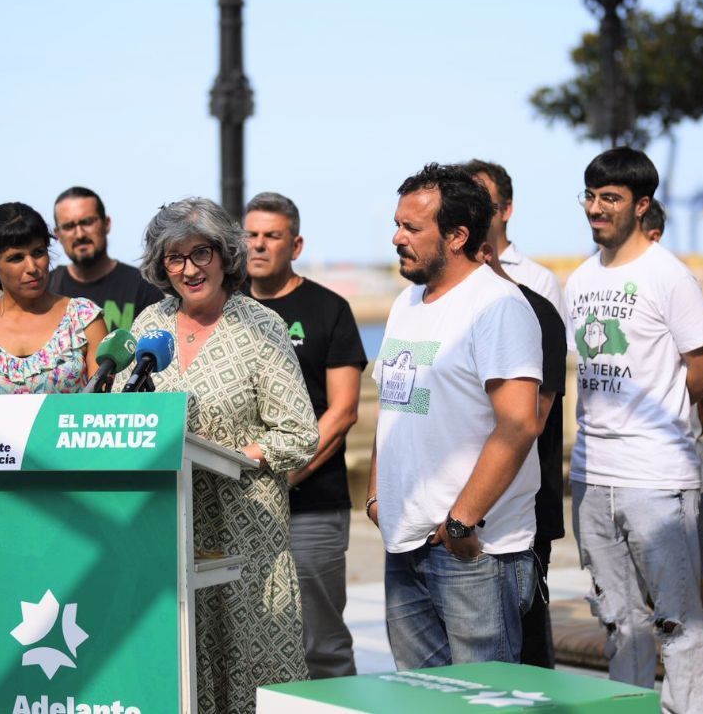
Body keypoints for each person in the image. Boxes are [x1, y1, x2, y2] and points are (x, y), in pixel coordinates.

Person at [128, 197, 318, 714]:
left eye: (201, 253)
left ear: (224, 255)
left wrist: (232, 455)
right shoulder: (148, 325)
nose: (189, 269)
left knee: (251, 682)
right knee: (182, 677)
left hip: (246, 536)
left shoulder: (261, 327)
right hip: (170, 535)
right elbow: (129, 417)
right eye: (175, 257)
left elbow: (300, 433)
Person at [369, 163, 543, 669]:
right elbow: (392, 403)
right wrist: (378, 496)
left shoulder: (497, 306)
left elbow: (519, 423)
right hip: (405, 542)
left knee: (484, 699)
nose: (397, 238)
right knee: (421, 698)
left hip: (474, 553)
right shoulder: (406, 302)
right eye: (397, 225)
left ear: (457, 236)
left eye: (412, 228)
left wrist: (463, 521)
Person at [566, 148, 703, 714]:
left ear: (641, 204)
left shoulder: (668, 275)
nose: (596, 208)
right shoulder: (579, 279)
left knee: (677, 622)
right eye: (590, 196)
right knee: (618, 620)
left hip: (657, 478)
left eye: (610, 198)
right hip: (591, 475)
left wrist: (664, 415)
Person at [0, 202, 107, 712]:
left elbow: (106, 413)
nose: (32, 266)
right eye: (16, 257)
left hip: (74, 511)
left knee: (77, 636)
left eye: (38, 252)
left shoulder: (85, 319)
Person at [243, 192, 367, 679]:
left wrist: (287, 474)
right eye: (251, 235)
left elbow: (343, 411)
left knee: (321, 643)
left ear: (295, 245)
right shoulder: (228, 309)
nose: (259, 245)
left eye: (271, 236)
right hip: (240, 501)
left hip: (313, 504)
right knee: (249, 637)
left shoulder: (328, 309)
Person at [475, 240, 566, 669]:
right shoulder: (432, 309)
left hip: (518, 520)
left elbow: (529, 421)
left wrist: (462, 515)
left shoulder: (534, 311)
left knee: (524, 657)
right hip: (446, 520)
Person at [642, 198, 703, 644]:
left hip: (674, 471)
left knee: (688, 581)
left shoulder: (679, 292)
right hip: (619, 471)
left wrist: (668, 425)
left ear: (652, 235)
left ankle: (693, 674)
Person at [49, 186, 163, 333]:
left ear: (106, 224)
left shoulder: (143, 287)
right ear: (57, 235)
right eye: (69, 226)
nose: (80, 234)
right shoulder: (45, 288)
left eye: (87, 222)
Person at [463, 158, 565, 322]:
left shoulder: (539, 280)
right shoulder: (446, 275)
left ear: (506, 209)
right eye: (465, 205)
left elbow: (551, 336)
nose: (473, 213)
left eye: (482, 205)